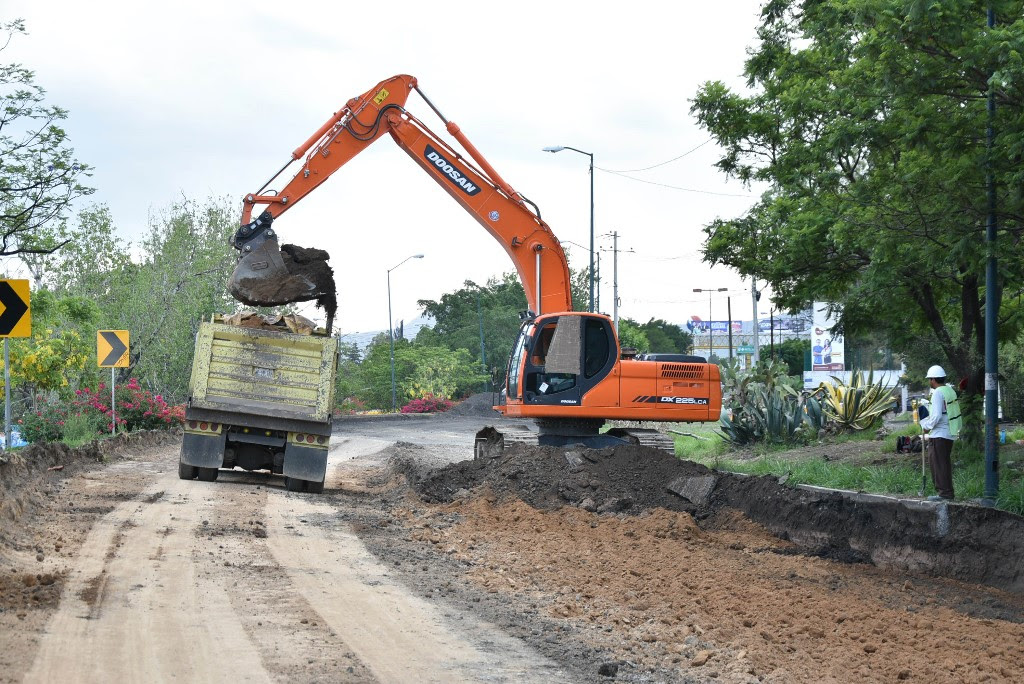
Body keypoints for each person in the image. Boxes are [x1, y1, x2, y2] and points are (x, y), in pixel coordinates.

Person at [919, 364, 962, 501]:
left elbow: (937, 415)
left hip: (939, 435)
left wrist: (926, 426)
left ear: (933, 379)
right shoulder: (949, 390)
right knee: (944, 464)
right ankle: (947, 493)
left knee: (938, 465)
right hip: (949, 432)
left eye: (929, 379)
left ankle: (944, 494)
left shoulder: (937, 393)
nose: (929, 381)